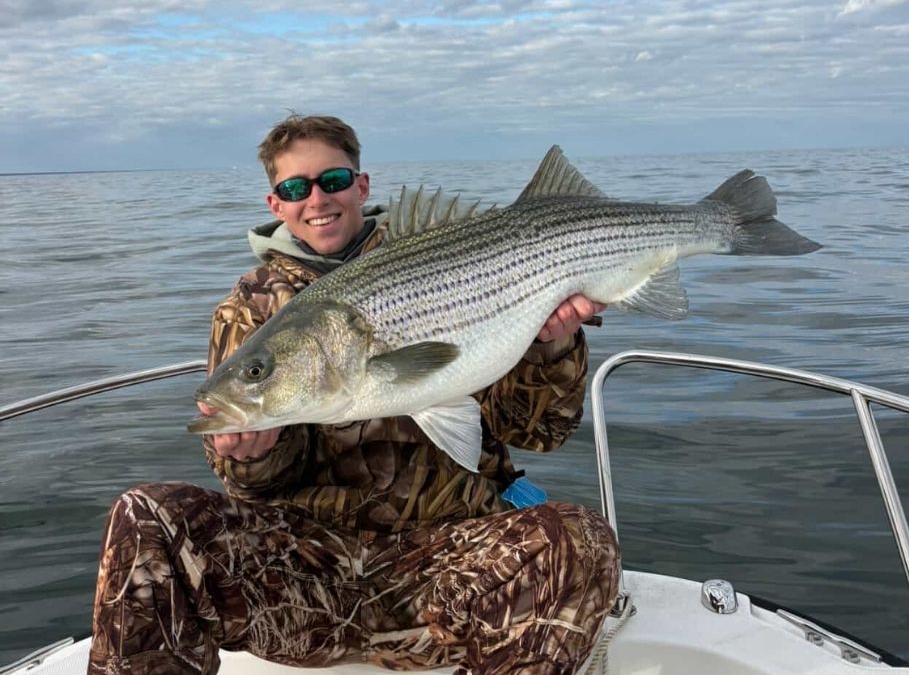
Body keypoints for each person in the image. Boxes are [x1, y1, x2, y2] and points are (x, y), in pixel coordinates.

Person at [88, 115, 621, 675]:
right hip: (308, 582)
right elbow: (247, 483)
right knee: (144, 514)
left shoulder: (452, 263)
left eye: (333, 180)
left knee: (579, 540)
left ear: (361, 187)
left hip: (454, 568)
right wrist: (254, 454)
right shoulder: (248, 312)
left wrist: (550, 347)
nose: (317, 198)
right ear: (277, 204)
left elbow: (540, 432)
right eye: (296, 188)